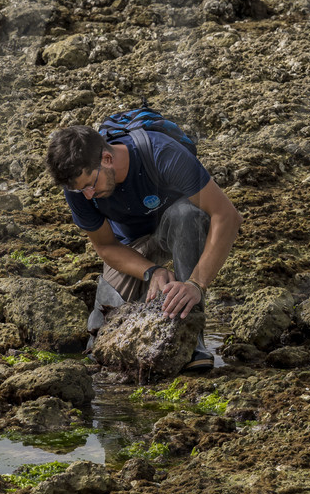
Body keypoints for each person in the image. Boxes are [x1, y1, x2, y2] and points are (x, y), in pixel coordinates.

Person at [45, 124, 241, 371]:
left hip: (178, 225)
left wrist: (196, 283)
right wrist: (152, 271)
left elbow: (226, 215)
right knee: (99, 349)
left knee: (186, 216)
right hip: (132, 245)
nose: (88, 195)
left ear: (107, 158)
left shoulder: (162, 153)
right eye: (80, 190)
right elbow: (106, 246)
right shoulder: (78, 187)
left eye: (90, 185)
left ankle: (193, 339)